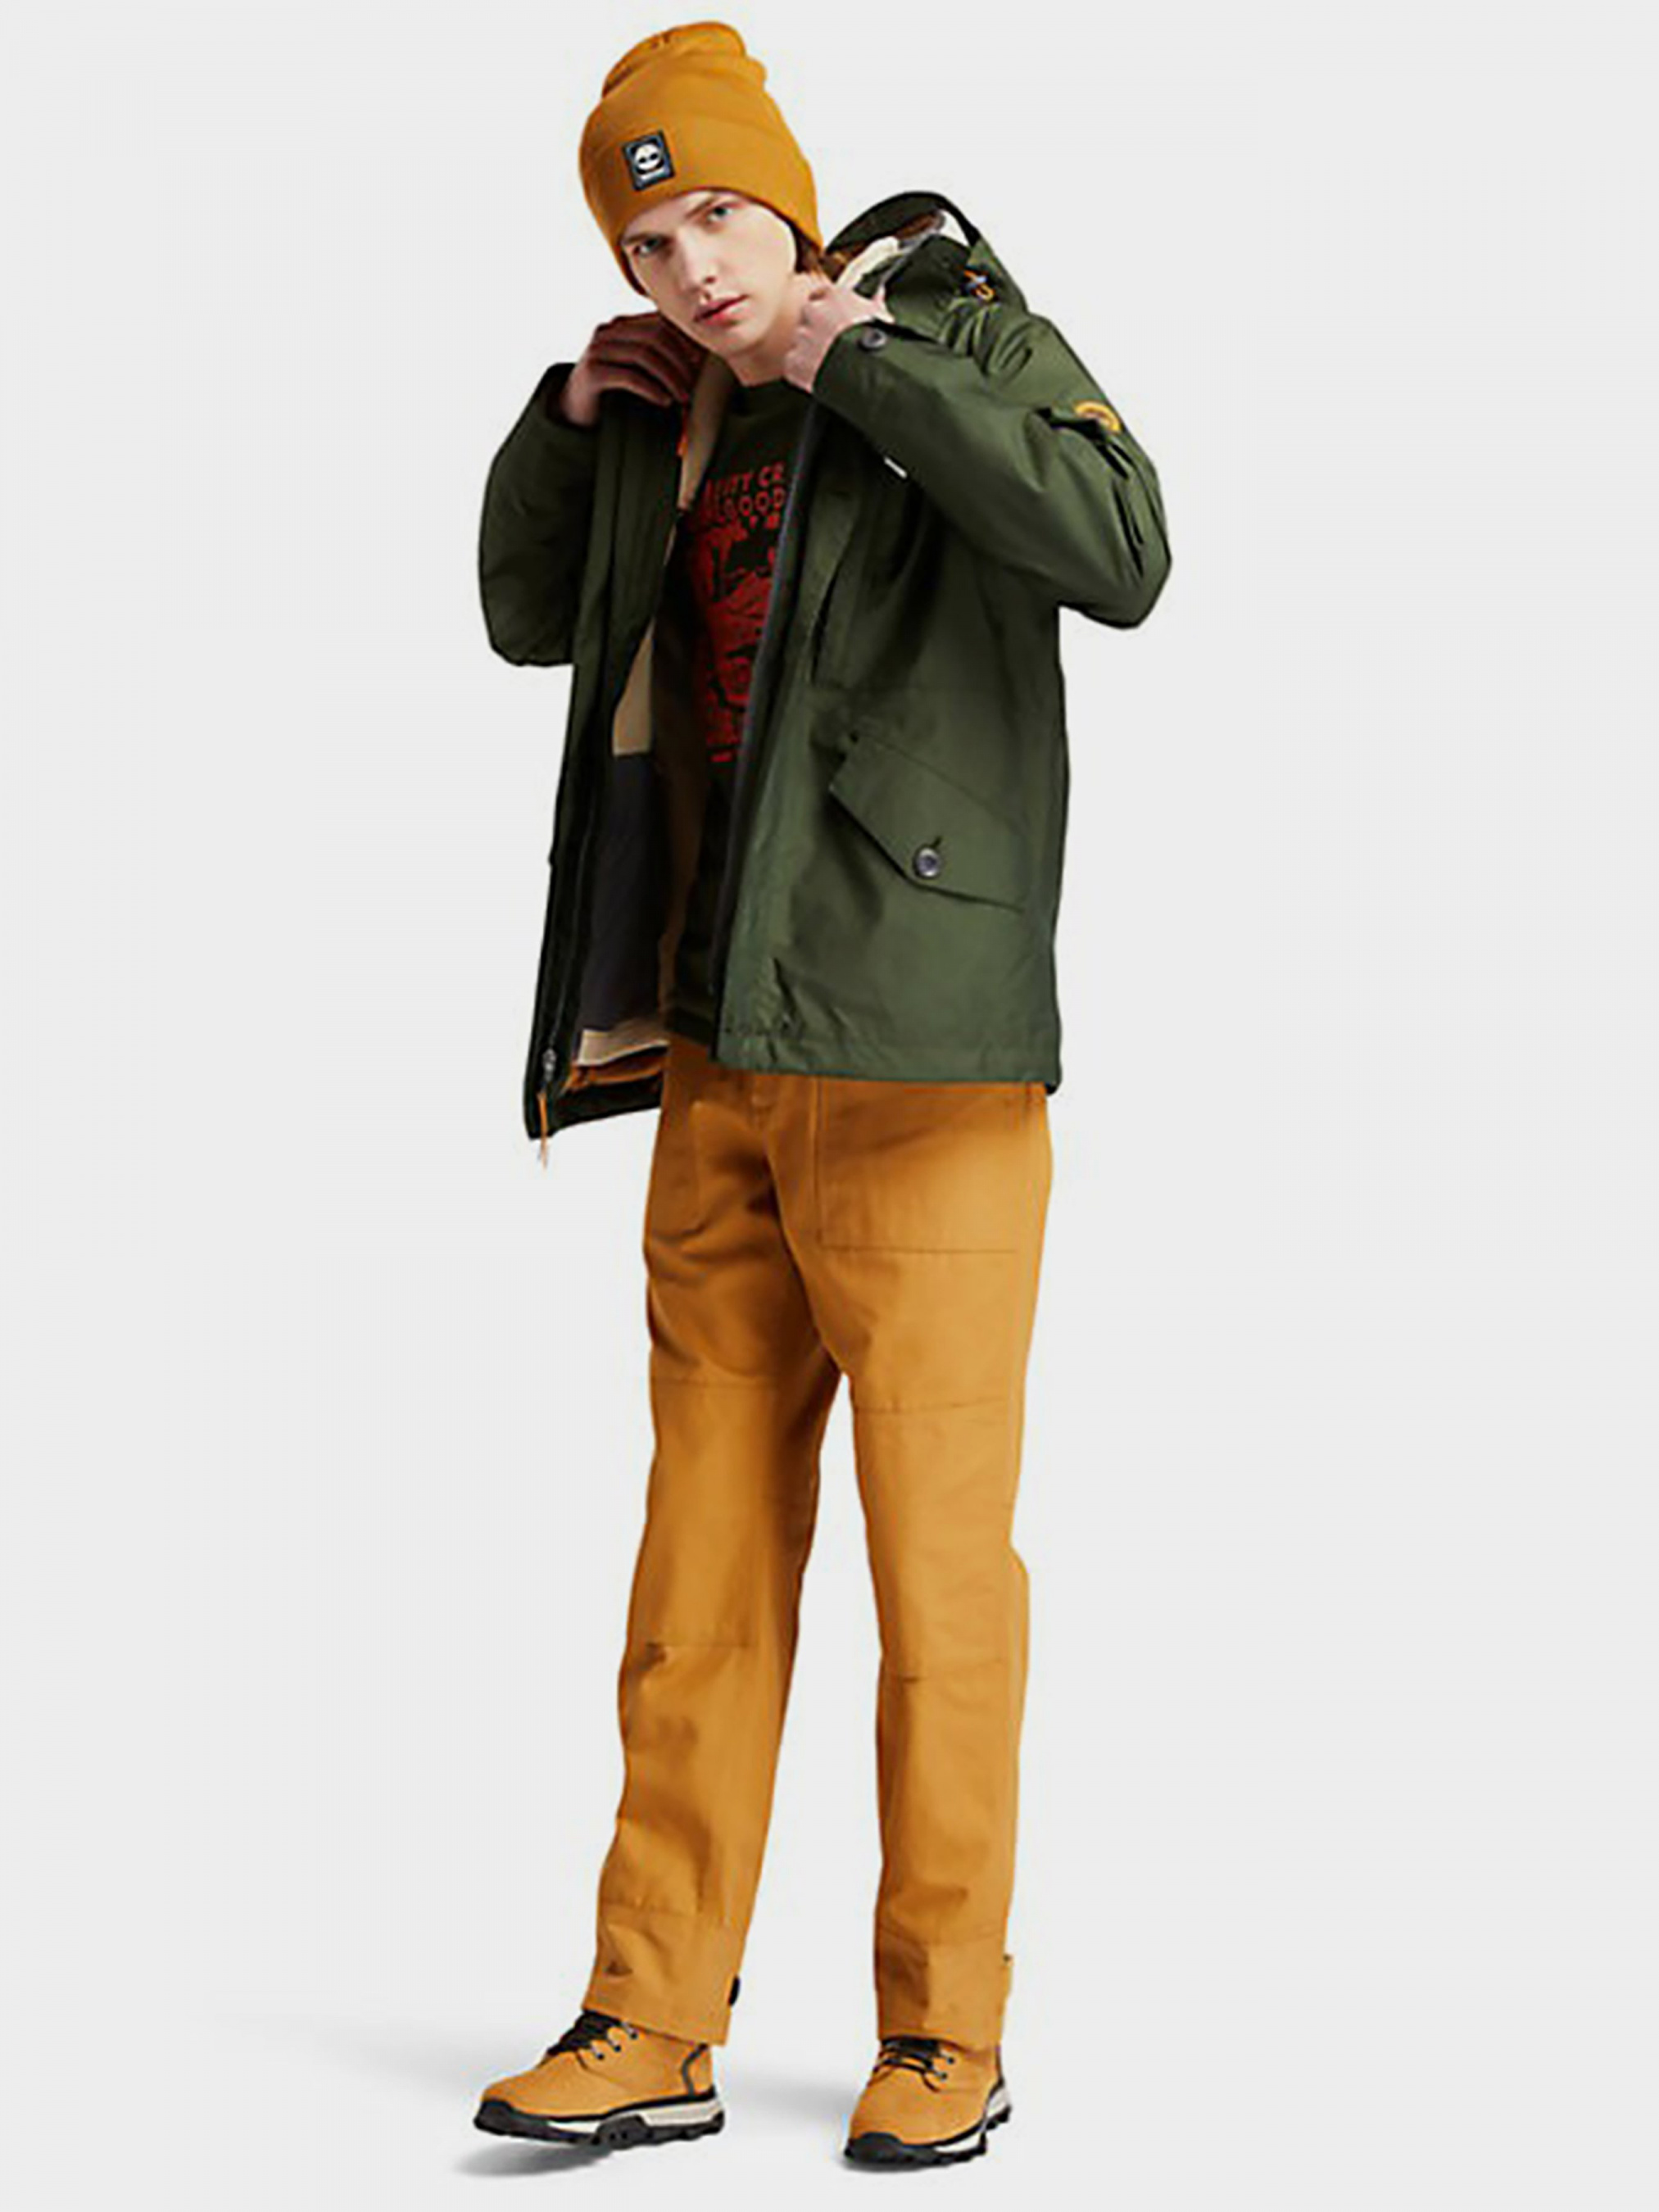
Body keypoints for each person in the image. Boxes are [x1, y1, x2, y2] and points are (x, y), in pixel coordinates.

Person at [472, 18, 1171, 2169]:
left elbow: (1120, 545)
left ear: (786, 195)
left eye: (715, 215)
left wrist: (862, 357)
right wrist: (564, 423)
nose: (689, 264)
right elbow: (528, 621)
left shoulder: (953, 327)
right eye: (646, 237)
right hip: (713, 1056)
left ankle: (944, 2029)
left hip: (922, 1061)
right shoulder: (664, 414)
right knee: (694, 1571)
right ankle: (648, 2009)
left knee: (936, 1577)